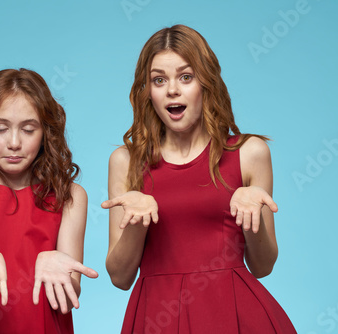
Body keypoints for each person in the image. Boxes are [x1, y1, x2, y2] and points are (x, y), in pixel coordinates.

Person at [102, 25, 297, 333]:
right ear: (148, 91)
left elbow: (263, 266)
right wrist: (137, 221)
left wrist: (252, 213)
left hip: (234, 316)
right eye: (159, 79)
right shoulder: (125, 162)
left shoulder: (249, 152)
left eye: (186, 76)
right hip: (156, 319)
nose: (172, 90)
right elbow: (119, 277)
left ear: (205, 83)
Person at [0, 68, 98, 334]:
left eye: (28, 130)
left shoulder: (71, 196)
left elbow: (69, 299)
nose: (14, 143)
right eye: (0, 129)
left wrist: (58, 267)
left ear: (46, 133)